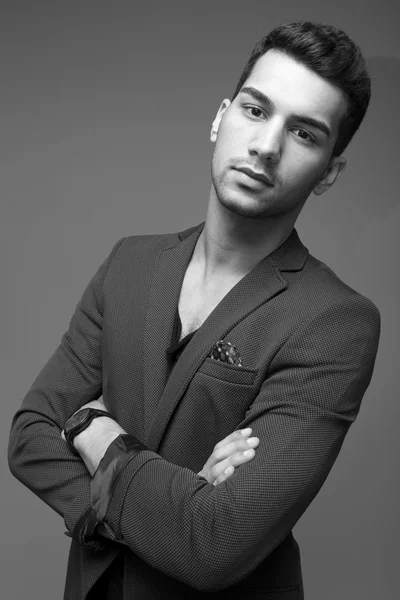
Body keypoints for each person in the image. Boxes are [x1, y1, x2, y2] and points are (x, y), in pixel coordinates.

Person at [8, 20, 381, 600]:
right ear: (220, 118)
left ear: (329, 172)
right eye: (256, 112)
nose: (266, 146)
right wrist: (177, 502)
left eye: (304, 134)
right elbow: (30, 436)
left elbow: (215, 545)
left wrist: (90, 426)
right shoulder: (129, 263)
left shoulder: (335, 321)